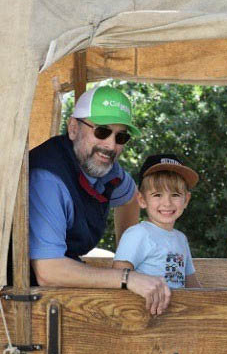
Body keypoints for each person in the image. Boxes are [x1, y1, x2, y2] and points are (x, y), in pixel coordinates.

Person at [28, 84, 171, 315]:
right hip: (23, 299)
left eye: (121, 137)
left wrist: (127, 258)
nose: (110, 146)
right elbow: (48, 271)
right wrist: (126, 277)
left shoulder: (105, 168)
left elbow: (130, 197)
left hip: (60, 295)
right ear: (73, 128)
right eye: (102, 132)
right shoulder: (47, 178)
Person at [113, 154, 200, 289]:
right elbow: (118, 276)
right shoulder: (137, 234)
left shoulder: (181, 239)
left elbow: (193, 285)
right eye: (157, 195)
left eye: (175, 195)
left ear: (186, 200)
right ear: (142, 200)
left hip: (180, 303)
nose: (167, 203)